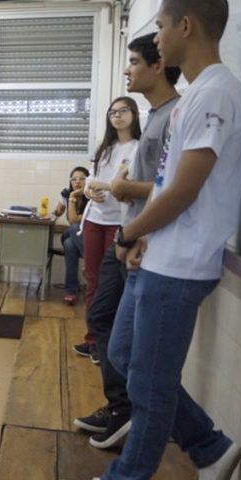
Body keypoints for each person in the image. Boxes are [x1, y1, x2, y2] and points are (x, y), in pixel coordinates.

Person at [96, 1, 241, 478]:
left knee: (150, 387)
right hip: (160, 253)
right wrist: (145, 236)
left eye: (161, 27)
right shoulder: (196, 94)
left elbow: (185, 190)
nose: (157, 38)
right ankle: (210, 447)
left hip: (181, 264)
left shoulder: (215, 93)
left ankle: (130, 473)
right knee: (126, 357)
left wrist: (128, 231)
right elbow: (167, 185)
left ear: (185, 26)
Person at [74, 32, 181, 450]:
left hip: (140, 243)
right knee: (104, 319)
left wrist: (123, 196)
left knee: (132, 346)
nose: (126, 69)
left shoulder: (173, 117)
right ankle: (120, 409)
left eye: (134, 61)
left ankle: (138, 419)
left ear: (158, 65)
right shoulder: (156, 118)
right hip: (126, 237)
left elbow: (172, 188)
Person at [73, 97, 140, 362]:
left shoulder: (138, 148)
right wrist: (89, 190)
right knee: (92, 279)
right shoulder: (104, 148)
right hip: (94, 220)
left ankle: (107, 344)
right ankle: (92, 339)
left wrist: (107, 186)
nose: (117, 116)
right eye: (113, 112)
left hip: (118, 222)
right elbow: (90, 180)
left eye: (123, 111)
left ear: (134, 115)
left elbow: (133, 186)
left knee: (111, 284)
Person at [55, 166, 90, 305]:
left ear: (89, 181)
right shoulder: (66, 194)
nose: (77, 182)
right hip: (74, 235)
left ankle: (71, 291)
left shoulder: (92, 197)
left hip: (88, 238)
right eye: (74, 179)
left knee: (69, 244)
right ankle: (90, 264)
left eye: (82, 179)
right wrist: (57, 211)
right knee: (73, 230)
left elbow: (74, 220)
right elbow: (58, 211)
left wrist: (72, 198)